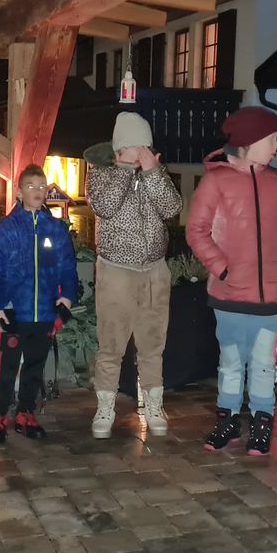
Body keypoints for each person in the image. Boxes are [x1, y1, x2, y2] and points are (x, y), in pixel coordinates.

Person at [187, 107, 277, 455]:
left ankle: (262, 422)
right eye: (272, 139)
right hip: (230, 295)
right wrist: (222, 269)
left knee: (264, 362)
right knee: (232, 361)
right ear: (250, 142)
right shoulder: (216, 182)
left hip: (270, 297)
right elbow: (197, 230)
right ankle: (228, 420)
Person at [83, 111, 182, 439]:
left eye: (145, 146)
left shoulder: (155, 172)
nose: (141, 152)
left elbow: (171, 208)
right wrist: (125, 168)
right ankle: (105, 407)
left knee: (153, 343)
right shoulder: (101, 172)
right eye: (135, 146)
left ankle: (153, 404)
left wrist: (153, 172)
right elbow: (104, 207)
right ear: (120, 147)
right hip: (116, 271)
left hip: (154, 270)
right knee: (111, 344)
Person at [0, 164, 78, 446]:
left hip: (45, 311)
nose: (37, 192)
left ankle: (25, 413)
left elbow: (67, 266)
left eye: (41, 187)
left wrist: (67, 295)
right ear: (19, 192)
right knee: (8, 367)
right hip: (15, 311)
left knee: (35, 366)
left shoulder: (56, 229)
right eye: (31, 186)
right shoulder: (6, 229)